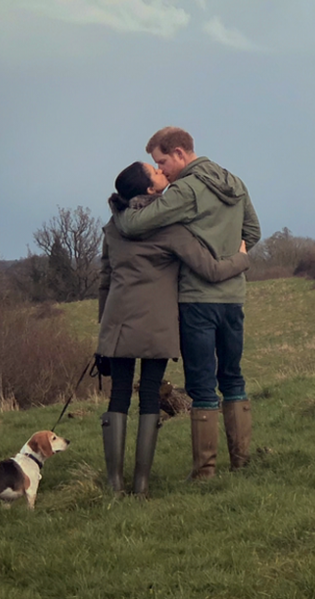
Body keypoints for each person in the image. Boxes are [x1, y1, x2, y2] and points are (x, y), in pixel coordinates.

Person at [97, 160, 251, 497]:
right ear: (151, 190)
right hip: (157, 325)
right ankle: (141, 484)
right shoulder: (172, 230)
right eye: (154, 171)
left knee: (118, 396)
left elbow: (105, 281)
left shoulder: (113, 226)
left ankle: (113, 485)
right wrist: (242, 257)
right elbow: (210, 270)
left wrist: (102, 333)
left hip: (117, 324)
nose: (160, 170)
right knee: (150, 397)